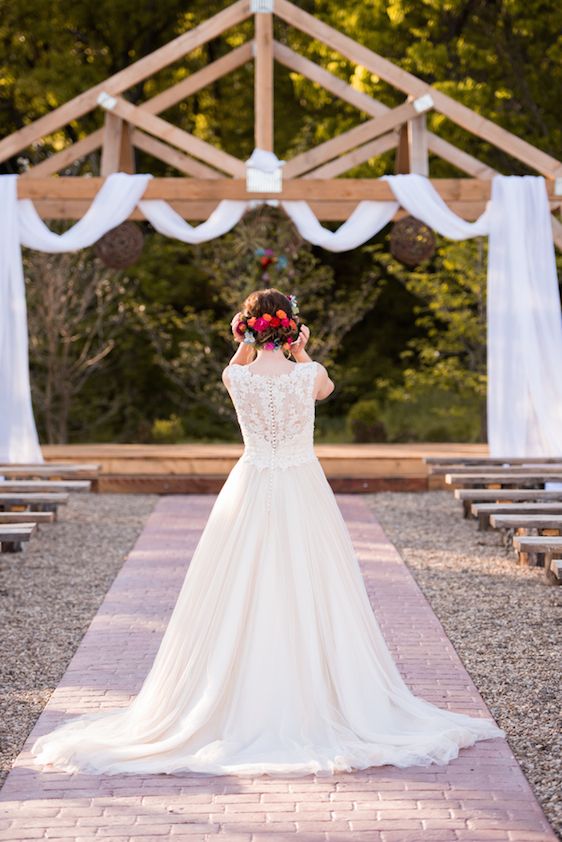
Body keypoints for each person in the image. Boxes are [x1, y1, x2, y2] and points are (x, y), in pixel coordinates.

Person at [32, 287, 505, 777]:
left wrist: (242, 342)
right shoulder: (310, 374)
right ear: (289, 325)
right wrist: (302, 348)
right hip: (302, 484)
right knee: (314, 580)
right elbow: (325, 389)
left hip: (252, 483)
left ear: (248, 326)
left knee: (241, 579)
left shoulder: (236, 375)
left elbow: (235, 369)